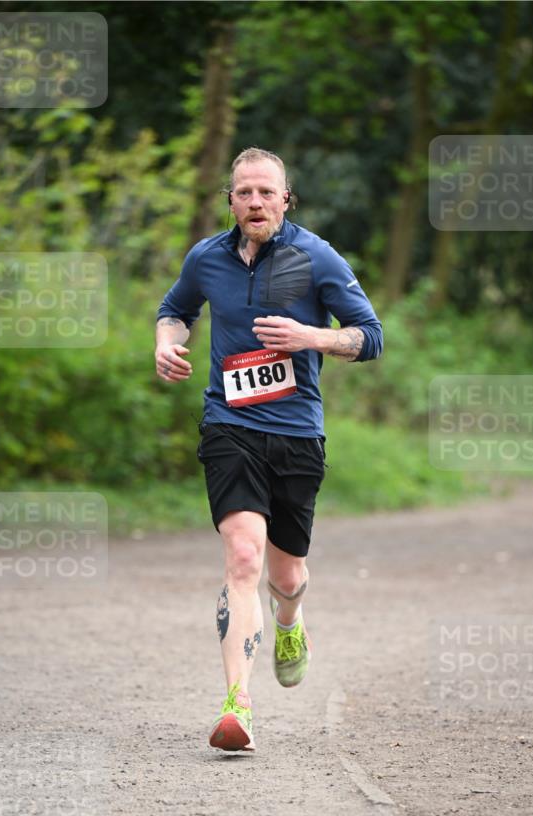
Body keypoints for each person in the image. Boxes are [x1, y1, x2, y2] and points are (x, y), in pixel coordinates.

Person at [155, 147, 382, 752]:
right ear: (230, 199)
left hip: (297, 433)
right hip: (227, 424)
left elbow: (371, 336)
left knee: (285, 572)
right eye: (243, 193)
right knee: (244, 558)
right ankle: (238, 705)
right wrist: (165, 341)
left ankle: (290, 621)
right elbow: (176, 309)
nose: (255, 202)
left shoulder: (316, 257)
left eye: (266, 192)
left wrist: (310, 336)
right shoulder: (207, 257)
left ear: (286, 199)